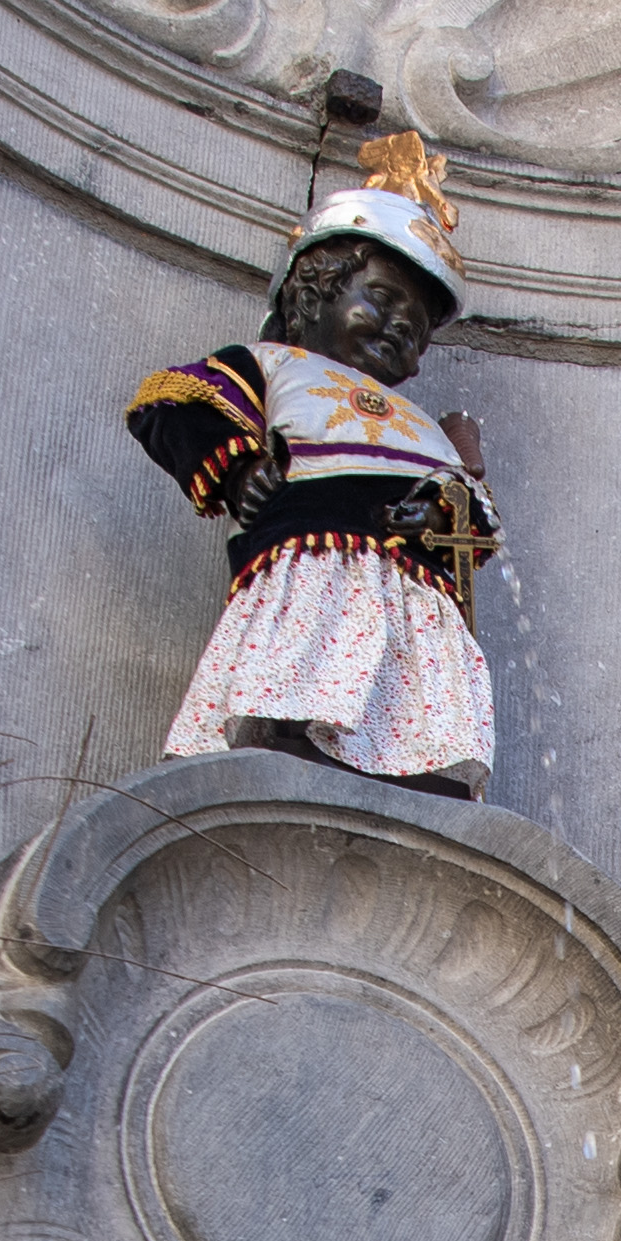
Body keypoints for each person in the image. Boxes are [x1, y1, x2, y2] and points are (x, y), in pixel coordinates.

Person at [128, 135, 502, 792]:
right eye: (382, 299)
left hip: (410, 580)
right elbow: (171, 400)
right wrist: (238, 470)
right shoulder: (274, 366)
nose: (397, 328)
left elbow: (476, 531)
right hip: (314, 552)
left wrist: (447, 504)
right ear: (314, 291)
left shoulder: (423, 426)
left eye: (415, 326)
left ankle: (412, 763)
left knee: (410, 667)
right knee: (310, 642)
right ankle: (282, 730)